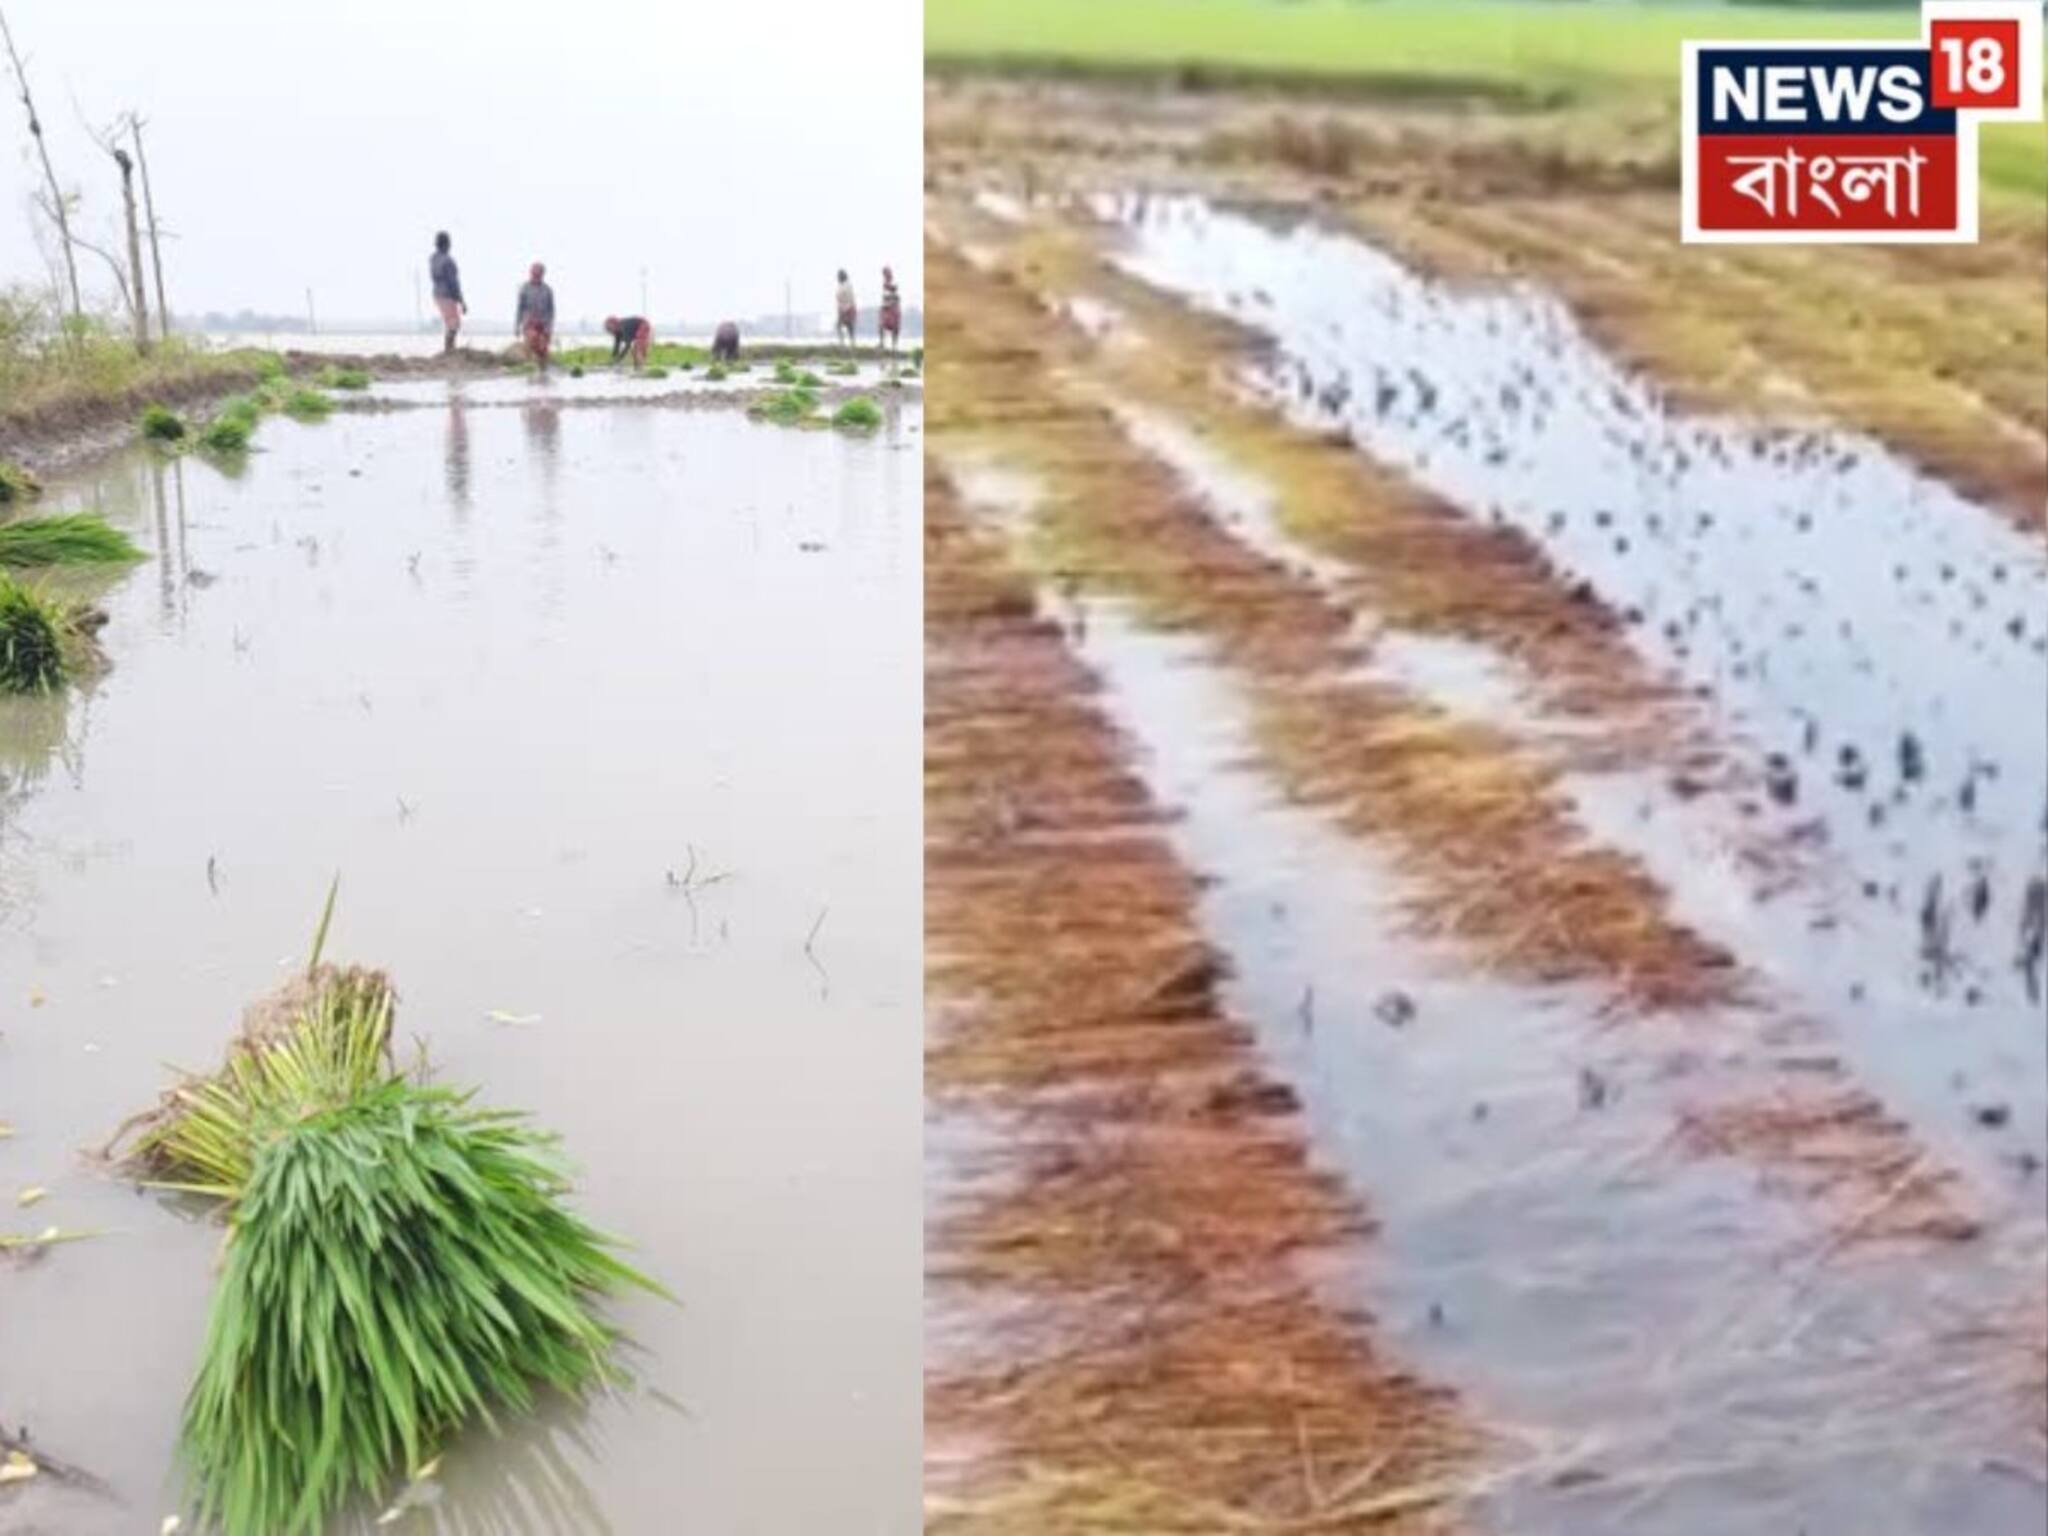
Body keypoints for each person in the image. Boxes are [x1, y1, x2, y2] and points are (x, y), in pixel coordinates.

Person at [516, 262, 556, 375]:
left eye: (538, 274)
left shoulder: (547, 290)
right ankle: (530, 369)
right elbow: (519, 309)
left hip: (543, 325)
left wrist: (549, 327)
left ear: (542, 275)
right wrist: (517, 326)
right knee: (532, 341)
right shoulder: (524, 289)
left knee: (543, 350)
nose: (535, 276)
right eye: (534, 273)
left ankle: (543, 373)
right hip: (529, 323)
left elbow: (551, 311)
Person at [430, 232, 466, 354]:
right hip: (447, 295)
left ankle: (450, 349)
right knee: (454, 324)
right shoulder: (448, 261)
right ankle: (449, 350)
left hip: (437, 294)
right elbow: (453, 283)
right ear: (447, 245)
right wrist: (461, 301)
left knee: (451, 323)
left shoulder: (433, 259)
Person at [878, 265, 902, 355]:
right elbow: (885, 298)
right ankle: (882, 344)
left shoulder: (892, 283)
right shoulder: (885, 283)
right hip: (887, 310)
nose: (885, 276)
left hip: (893, 310)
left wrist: (889, 302)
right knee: (881, 326)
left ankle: (894, 347)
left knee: (894, 329)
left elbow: (895, 296)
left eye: (886, 274)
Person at [834, 269, 857, 350]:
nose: (838, 278)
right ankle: (843, 343)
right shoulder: (840, 286)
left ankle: (851, 344)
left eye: (839, 276)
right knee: (839, 326)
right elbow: (838, 298)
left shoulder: (848, 286)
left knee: (849, 327)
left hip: (848, 308)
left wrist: (846, 307)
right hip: (842, 309)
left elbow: (851, 298)